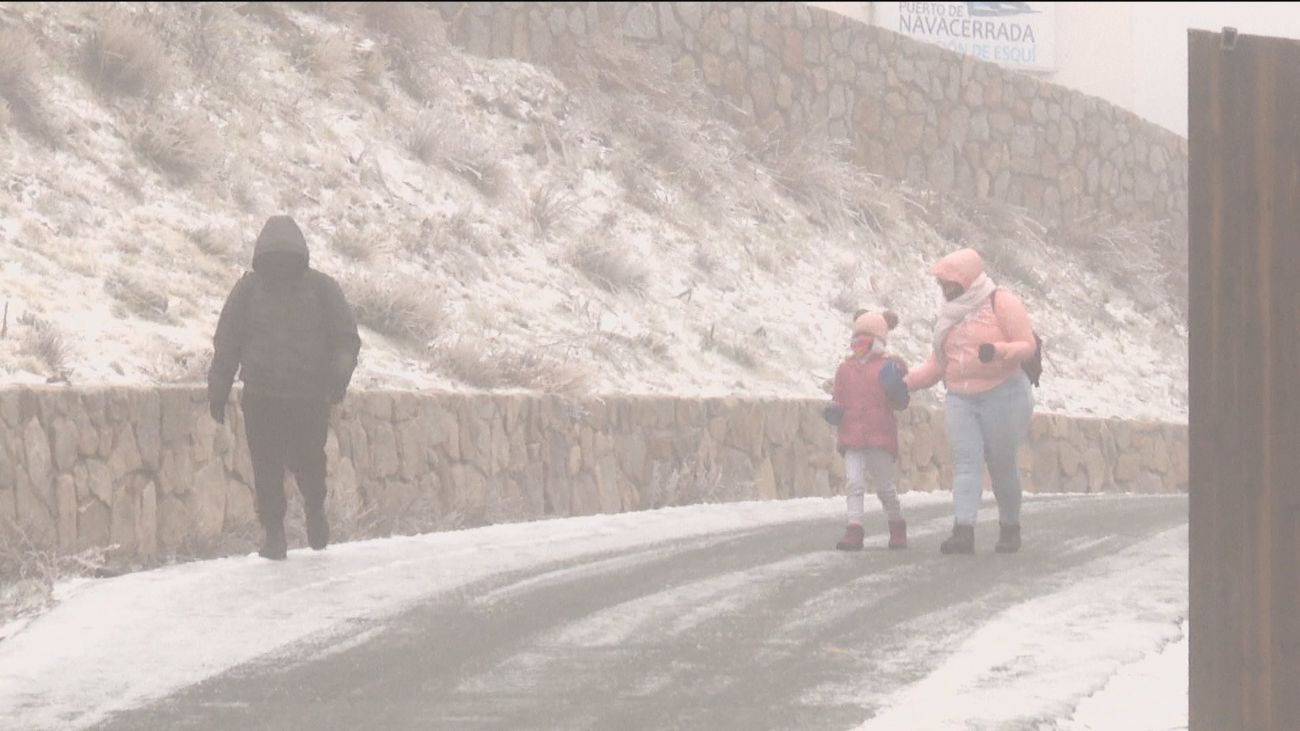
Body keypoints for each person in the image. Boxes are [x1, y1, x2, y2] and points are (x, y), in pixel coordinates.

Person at [207, 215, 362, 560]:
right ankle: (303, 517)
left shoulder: (251, 289)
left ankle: (284, 529)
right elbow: (346, 339)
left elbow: (227, 342)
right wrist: (338, 378)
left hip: (273, 396)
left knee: (269, 465)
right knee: (304, 460)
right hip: (297, 396)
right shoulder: (321, 288)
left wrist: (218, 388)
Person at [904, 248, 1036, 554]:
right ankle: (963, 530)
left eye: (951, 284)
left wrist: (1000, 351)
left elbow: (1026, 345)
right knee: (966, 463)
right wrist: (905, 384)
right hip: (961, 397)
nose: (946, 290)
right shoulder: (949, 316)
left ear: (968, 280)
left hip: (1004, 394)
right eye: (943, 285)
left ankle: (1010, 527)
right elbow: (939, 363)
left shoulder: (1001, 302)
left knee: (1002, 465)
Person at [823, 310, 911, 551]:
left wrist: (897, 388)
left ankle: (896, 523)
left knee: (884, 486)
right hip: (851, 433)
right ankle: (854, 527)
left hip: (878, 435)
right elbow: (838, 396)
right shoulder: (845, 369)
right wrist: (835, 410)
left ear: (878, 342)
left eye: (864, 342)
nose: (858, 347)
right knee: (854, 482)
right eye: (855, 342)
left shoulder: (889, 367)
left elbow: (901, 403)